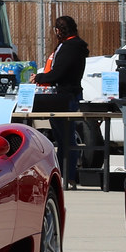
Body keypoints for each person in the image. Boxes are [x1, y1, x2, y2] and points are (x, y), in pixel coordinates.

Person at [33, 16, 90, 186]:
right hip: (68, 95)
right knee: (64, 138)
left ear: (58, 30)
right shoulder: (75, 46)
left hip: (65, 96)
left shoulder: (69, 48)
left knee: (66, 139)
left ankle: (68, 175)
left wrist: (40, 77)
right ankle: (63, 174)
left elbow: (59, 73)